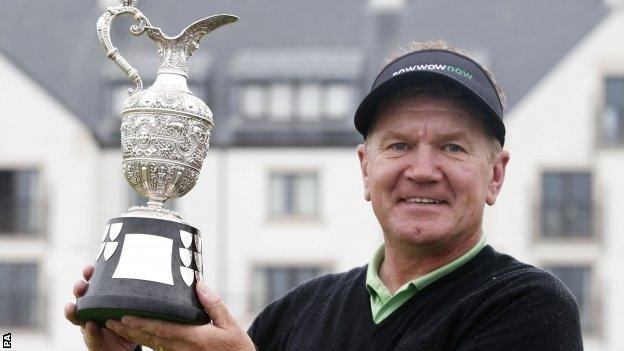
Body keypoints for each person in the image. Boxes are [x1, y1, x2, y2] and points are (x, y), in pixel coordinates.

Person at [66, 40, 583, 350]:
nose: (423, 170)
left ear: (496, 175)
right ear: (365, 169)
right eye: (399, 145)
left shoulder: (528, 309)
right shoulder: (295, 313)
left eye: (452, 147)